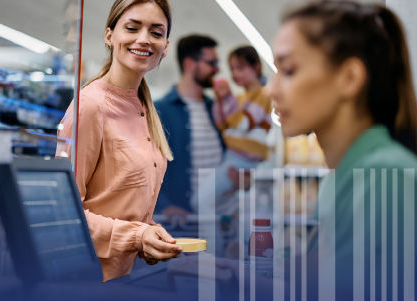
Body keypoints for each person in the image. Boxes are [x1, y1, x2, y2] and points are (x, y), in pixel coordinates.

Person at [267, 1, 417, 299]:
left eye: (288, 70)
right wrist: (227, 270)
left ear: (349, 78)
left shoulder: (383, 176)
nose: (271, 90)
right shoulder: (351, 175)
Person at [57, 0, 182, 282]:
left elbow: (119, 203)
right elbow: (65, 215)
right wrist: (137, 236)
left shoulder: (144, 108)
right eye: (132, 27)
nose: (143, 39)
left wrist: (151, 237)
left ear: (165, 46)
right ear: (109, 35)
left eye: (156, 32)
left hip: (126, 279)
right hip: (89, 282)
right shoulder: (90, 107)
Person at [155, 34, 226, 221]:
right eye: (212, 62)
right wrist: (165, 206)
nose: (217, 69)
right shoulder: (160, 111)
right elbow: (145, 169)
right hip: (183, 224)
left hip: (219, 221)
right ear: (189, 64)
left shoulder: (216, 109)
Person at [205, 45, 274, 216]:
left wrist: (227, 99)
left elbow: (243, 124)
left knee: (204, 201)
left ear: (256, 67)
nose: (235, 74)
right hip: (233, 159)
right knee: (227, 211)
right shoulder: (238, 99)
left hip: (246, 162)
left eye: (240, 68)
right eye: (232, 69)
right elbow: (222, 125)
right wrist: (221, 101)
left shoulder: (264, 95)